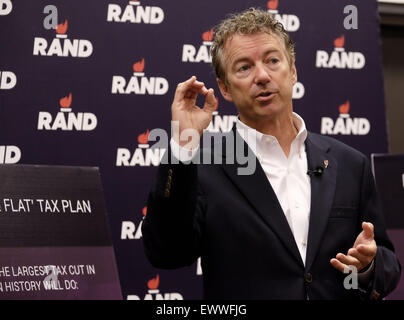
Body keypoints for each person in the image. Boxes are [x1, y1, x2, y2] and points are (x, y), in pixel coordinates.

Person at [142, 8, 401, 299]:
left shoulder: (350, 164)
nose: (262, 76)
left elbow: (388, 264)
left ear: (292, 72)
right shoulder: (204, 168)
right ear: (225, 88)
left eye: (272, 61)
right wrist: (183, 145)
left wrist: (367, 266)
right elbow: (166, 253)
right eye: (244, 67)